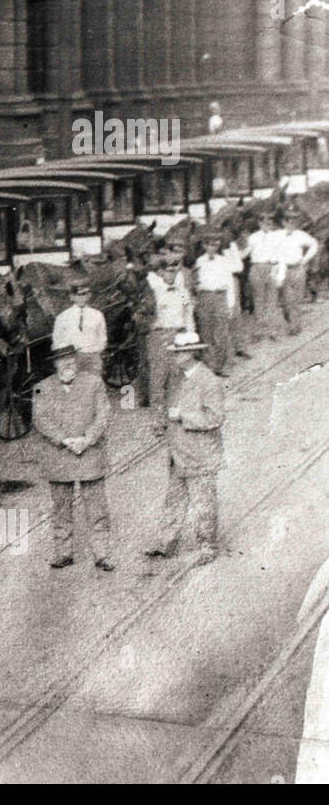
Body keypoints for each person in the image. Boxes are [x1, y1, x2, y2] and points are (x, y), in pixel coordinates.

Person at [33, 343, 114, 572]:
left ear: (77, 360)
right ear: (54, 363)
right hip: (60, 456)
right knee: (61, 509)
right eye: (62, 360)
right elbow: (40, 420)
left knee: (97, 509)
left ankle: (102, 554)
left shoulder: (94, 383)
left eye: (71, 358)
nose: (68, 363)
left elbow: (103, 414)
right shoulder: (42, 388)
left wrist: (87, 439)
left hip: (90, 454)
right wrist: (65, 440)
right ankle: (63, 553)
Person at [150, 331, 224, 566]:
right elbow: (167, 405)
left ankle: (207, 546)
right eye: (176, 352)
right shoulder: (177, 377)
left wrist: (182, 416)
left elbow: (215, 417)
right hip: (178, 452)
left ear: (193, 353)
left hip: (200, 454)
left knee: (203, 502)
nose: (176, 357)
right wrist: (161, 423)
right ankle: (166, 543)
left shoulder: (209, 380)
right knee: (174, 500)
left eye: (181, 353)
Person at [144, 244, 195, 409]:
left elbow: (188, 315)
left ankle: (175, 412)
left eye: (174, 271)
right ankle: (158, 419)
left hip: (179, 335)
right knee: (158, 377)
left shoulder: (182, 292)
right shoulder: (155, 292)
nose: (171, 275)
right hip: (160, 336)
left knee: (177, 375)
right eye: (168, 271)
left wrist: (191, 336)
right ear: (160, 272)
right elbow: (146, 314)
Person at [192, 229, 242, 375]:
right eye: (209, 245)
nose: (212, 248)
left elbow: (229, 284)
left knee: (221, 332)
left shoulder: (224, 261)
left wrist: (231, 304)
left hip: (220, 297)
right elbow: (195, 282)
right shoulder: (199, 261)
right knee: (206, 332)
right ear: (204, 246)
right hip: (205, 297)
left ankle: (223, 365)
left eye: (215, 245)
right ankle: (211, 365)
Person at [245, 207, 287, 341]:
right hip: (256, 267)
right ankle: (258, 331)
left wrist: (280, 275)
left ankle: (272, 331)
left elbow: (282, 255)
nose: (266, 222)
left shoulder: (279, 235)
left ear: (273, 221)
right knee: (258, 301)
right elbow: (246, 253)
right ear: (258, 222)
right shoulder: (252, 237)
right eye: (262, 219)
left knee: (272, 301)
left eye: (269, 219)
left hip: (271, 267)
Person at [50, 278, 107, 377]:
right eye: (78, 295)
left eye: (84, 294)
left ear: (89, 295)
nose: (81, 298)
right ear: (71, 297)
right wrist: (67, 358)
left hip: (92, 357)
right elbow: (57, 340)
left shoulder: (97, 315)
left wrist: (96, 351)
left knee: (94, 385)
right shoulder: (63, 317)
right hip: (72, 358)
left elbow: (102, 337)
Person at [279, 208, 319, 335]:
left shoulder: (301, 235)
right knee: (286, 301)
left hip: (298, 269)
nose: (291, 224)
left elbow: (314, 244)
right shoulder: (277, 235)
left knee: (296, 299)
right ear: (283, 222)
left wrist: (305, 259)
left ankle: (295, 326)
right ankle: (290, 320)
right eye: (289, 222)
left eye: (294, 222)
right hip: (283, 270)